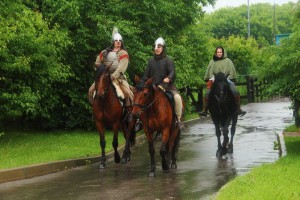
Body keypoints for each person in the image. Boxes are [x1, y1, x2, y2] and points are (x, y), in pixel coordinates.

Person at [88, 28, 133, 121]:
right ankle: (94, 112)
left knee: (128, 93)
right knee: (91, 91)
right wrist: (101, 73)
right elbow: (97, 63)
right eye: (116, 40)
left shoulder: (123, 53)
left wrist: (113, 76)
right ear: (113, 41)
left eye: (120, 40)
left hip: (118, 78)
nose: (118, 42)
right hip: (104, 77)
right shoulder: (104, 52)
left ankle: (129, 113)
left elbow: (121, 67)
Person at [140, 37, 184, 130]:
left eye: (159, 47)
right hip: (153, 87)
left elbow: (172, 72)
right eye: (155, 47)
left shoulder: (168, 60)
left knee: (177, 98)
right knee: (141, 98)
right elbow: (146, 75)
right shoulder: (151, 61)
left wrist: (168, 78)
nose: (157, 48)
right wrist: (144, 82)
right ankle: (140, 121)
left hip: (167, 86)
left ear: (163, 48)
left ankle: (178, 120)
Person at [199, 46, 247, 117]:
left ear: (223, 53)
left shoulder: (228, 61)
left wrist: (227, 79)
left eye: (220, 52)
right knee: (207, 93)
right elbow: (210, 72)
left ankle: (238, 109)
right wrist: (213, 78)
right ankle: (205, 110)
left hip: (226, 80)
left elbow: (231, 73)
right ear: (216, 53)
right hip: (215, 81)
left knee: (235, 91)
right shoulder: (212, 61)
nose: (219, 53)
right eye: (218, 52)